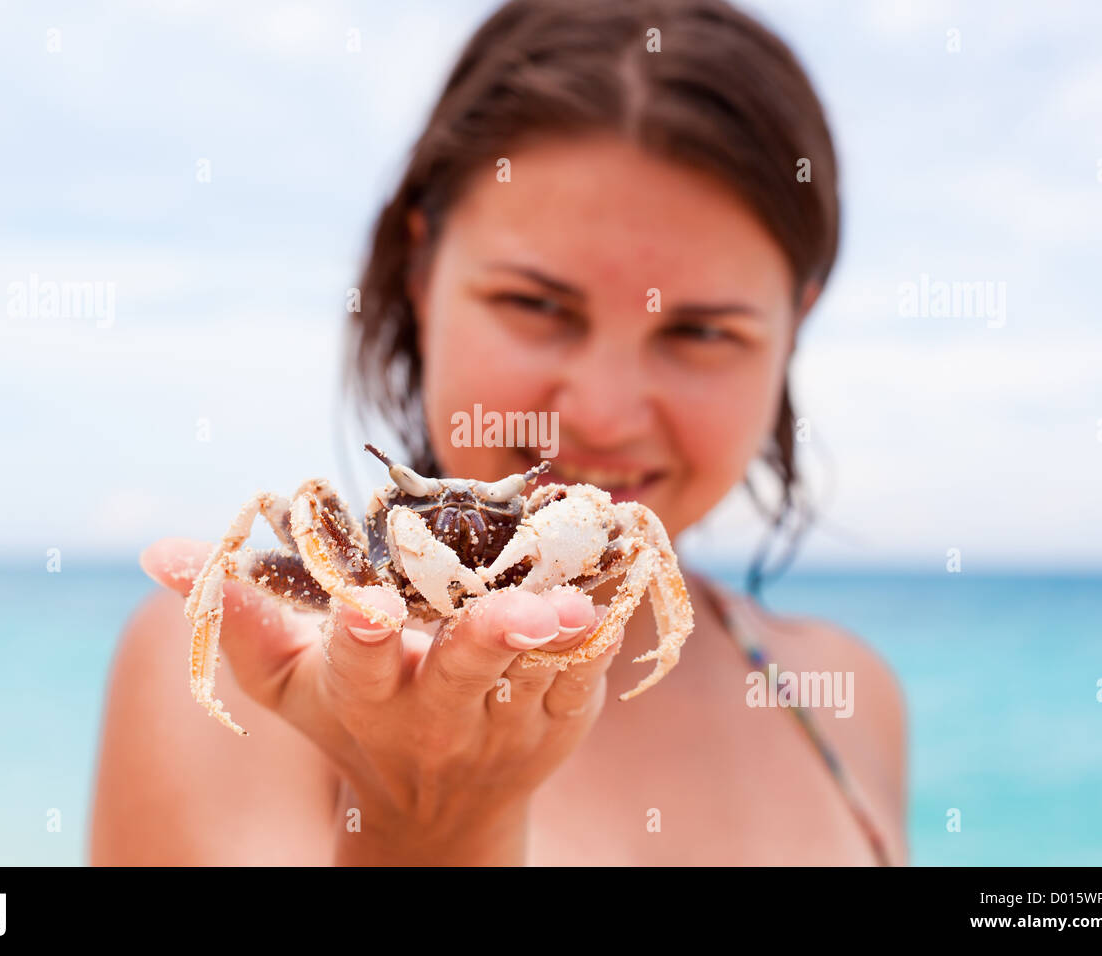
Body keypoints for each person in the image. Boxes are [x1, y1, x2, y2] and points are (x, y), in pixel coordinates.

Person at [90, 0, 907, 866]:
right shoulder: (248, 657)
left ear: (794, 328)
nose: (601, 413)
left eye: (701, 332)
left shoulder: (845, 692)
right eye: (536, 305)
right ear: (419, 273)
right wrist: (429, 819)